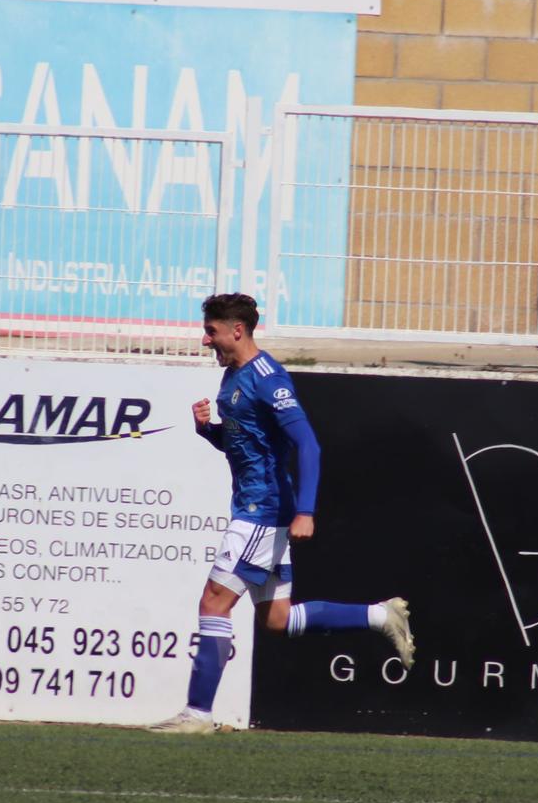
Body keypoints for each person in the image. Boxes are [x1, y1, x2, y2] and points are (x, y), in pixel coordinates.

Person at [150, 293, 414, 734]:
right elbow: (248, 446)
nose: (205, 340)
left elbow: (308, 444)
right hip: (258, 507)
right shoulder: (234, 376)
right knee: (277, 619)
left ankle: (197, 714)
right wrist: (208, 432)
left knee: (214, 602)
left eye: (212, 331)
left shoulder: (269, 379)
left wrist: (306, 511)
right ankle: (381, 615)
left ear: (238, 330)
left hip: (262, 511)